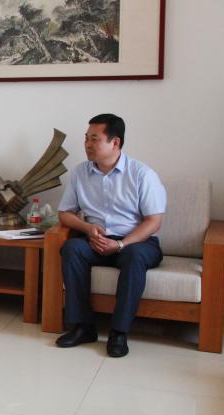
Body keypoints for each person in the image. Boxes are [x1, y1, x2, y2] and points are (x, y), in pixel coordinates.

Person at [55, 114, 166, 358]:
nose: (87, 144)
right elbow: (65, 213)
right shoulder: (80, 173)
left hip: (136, 242)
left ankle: (119, 332)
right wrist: (87, 229)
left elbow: (154, 221)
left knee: (134, 257)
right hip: (96, 240)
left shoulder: (141, 174)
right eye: (86, 139)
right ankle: (83, 327)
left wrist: (120, 244)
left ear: (115, 142)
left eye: (94, 139)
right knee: (72, 249)